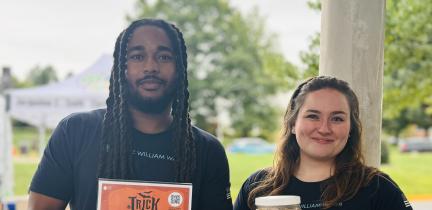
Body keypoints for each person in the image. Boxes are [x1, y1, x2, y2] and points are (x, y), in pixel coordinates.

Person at [28, 18, 233, 210]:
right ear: (121, 68)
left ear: (179, 69)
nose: (151, 67)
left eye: (164, 57)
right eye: (137, 56)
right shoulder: (75, 131)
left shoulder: (207, 150)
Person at [234, 76, 412, 210]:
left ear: (351, 128)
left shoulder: (377, 188)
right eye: (313, 116)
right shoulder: (257, 187)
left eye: (337, 118)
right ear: (293, 124)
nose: (324, 128)